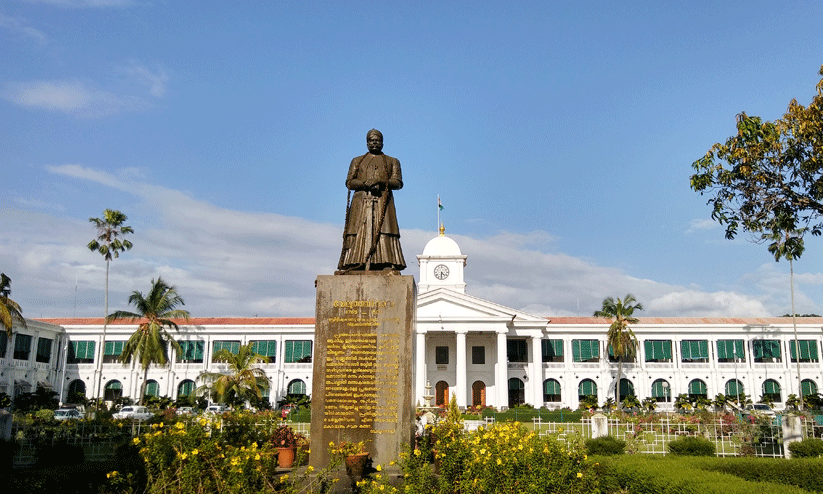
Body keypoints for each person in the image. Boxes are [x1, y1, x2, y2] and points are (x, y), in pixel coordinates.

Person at [337, 129, 406, 273]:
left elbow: (398, 182)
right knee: (357, 231)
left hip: (383, 202)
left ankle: (387, 261)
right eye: (371, 140)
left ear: (382, 142)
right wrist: (365, 184)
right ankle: (354, 262)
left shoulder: (392, 161)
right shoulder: (357, 161)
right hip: (361, 202)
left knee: (384, 231)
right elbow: (349, 182)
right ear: (367, 142)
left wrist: (380, 181)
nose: (374, 143)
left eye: (377, 140)